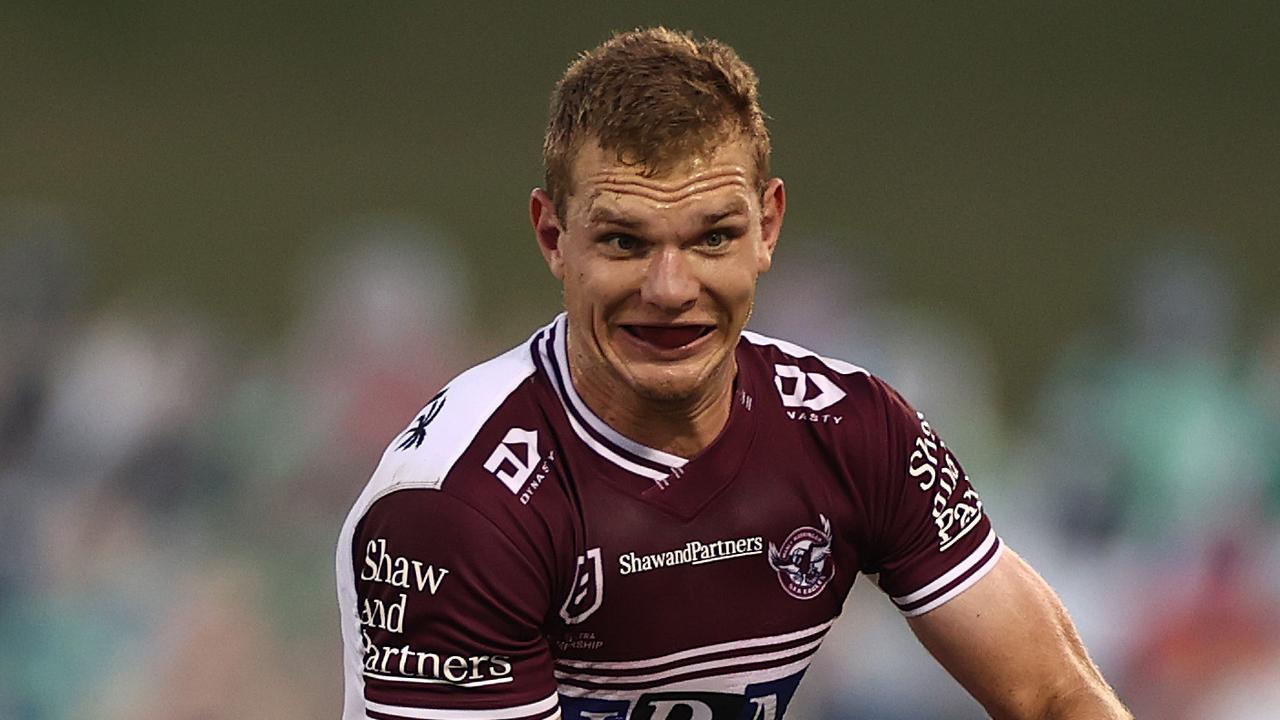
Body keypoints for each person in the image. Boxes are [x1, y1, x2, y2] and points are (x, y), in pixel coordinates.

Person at [336, 27, 1130, 720]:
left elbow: (1053, 696)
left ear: (768, 227)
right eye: (624, 242)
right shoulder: (456, 504)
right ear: (553, 237)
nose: (672, 290)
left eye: (712, 237)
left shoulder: (854, 428)